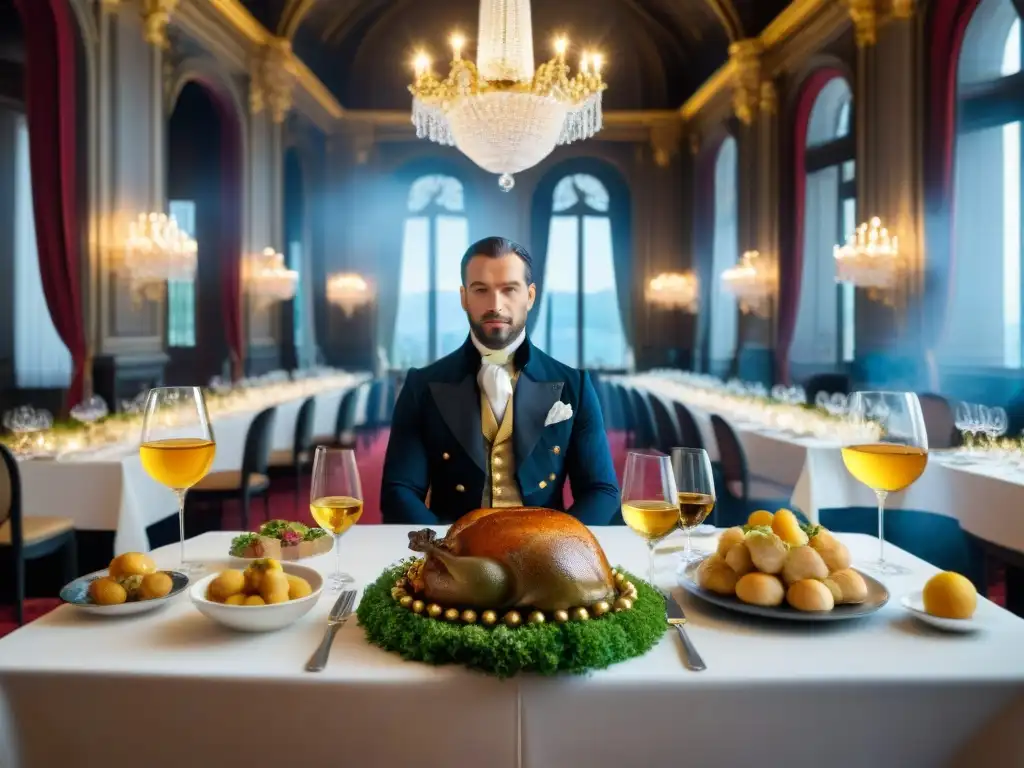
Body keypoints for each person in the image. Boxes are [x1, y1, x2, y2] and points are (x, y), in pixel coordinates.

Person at [381, 236, 620, 524]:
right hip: (454, 553)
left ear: (530, 297)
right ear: (464, 298)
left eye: (509, 289)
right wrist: (444, 551)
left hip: (545, 551)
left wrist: (558, 546)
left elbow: (601, 491)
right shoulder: (421, 386)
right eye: (481, 290)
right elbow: (399, 491)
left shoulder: (575, 385)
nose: (496, 304)